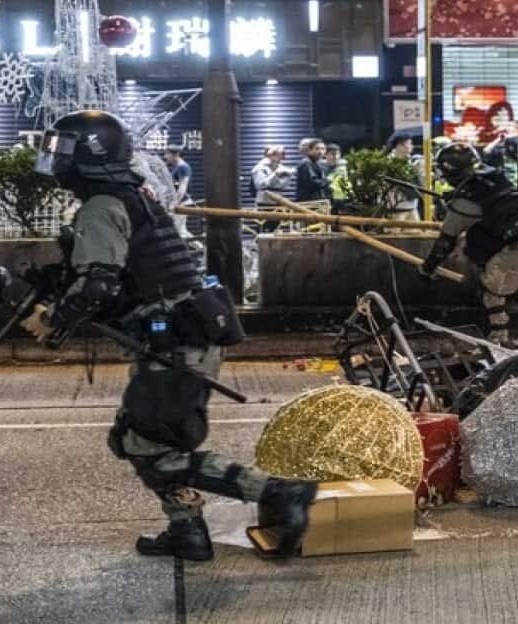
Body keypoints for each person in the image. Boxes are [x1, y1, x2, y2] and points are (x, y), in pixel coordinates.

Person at [19, 110, 317, 561]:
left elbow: (99, 284)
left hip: (174, 342)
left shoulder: (102, 205)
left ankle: (277, 492)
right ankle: (187, 532)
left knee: (147, 447)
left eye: (64, 148)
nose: (55, 158)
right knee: (147, 440)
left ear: (87, 154)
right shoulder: (131, 194)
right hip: (185, 335)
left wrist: (53, 317)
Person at [418, 143, 518, 346]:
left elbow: (446, 240)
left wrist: (427, 269)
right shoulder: (496, 179)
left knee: (491, 291)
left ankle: (497, 341)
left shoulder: (467, 199)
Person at [385, 134, 424, 221]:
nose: (411, 146)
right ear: (399, 145)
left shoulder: (409, 161)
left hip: (412, 206)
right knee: (395, 233)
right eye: (409, 143)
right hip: (397, 207)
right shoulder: (390, 162)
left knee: (417, 233)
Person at [164, 145, 194, 239]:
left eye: (168, 153)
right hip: (180, 202)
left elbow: (183, 186)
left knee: (178, 232)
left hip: (182, 202)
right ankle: (202, 248)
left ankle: (202, 248)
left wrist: (175, 203)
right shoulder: (177, 167)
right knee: (181, 231)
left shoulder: (183, 167)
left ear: (176, 154)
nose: (165, 156)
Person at [295, 137, 330, 203]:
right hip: (308, 202)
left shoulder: (318, 163)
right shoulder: (306, 163)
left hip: (316, 201)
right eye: (317, 149)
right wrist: (328, 181)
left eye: (322, 149)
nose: (320, 152)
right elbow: (312, 183)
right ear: (310, 150)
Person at [324, 144, 351, 213]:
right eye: (332, 154)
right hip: (327, 201)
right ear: (326, 155)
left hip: (344, 201)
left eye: (337, 154)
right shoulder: (321, 168)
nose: (335, 157)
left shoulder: (346, 167)